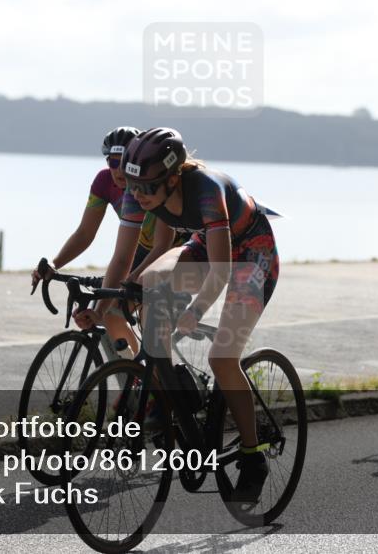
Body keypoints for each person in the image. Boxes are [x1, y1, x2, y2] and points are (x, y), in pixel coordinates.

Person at [117, 127, 280, 503]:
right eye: (134, 187)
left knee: (222, 357)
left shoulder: (205, 190)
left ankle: (253, 459)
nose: (139, 196)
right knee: (151, 284)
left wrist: (196, 310)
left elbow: (222, 270)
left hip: (252, 253)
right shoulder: (145, 191)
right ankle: (176, 388)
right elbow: (157, 254)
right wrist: (129, 289)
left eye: (148, 188)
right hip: (205, 242)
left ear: (173, 178)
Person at [31, 127, 145, 354]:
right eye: (114, 162)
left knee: (114, 311)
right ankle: (137, 376)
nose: (119, 170)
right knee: (109, 313)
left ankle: (153, 380)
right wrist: (55, 264)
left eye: (125, 162)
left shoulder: (143, 185)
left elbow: (124, 260)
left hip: (164, 254)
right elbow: (85, 232)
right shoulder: (104, 182)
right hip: (132, 254)